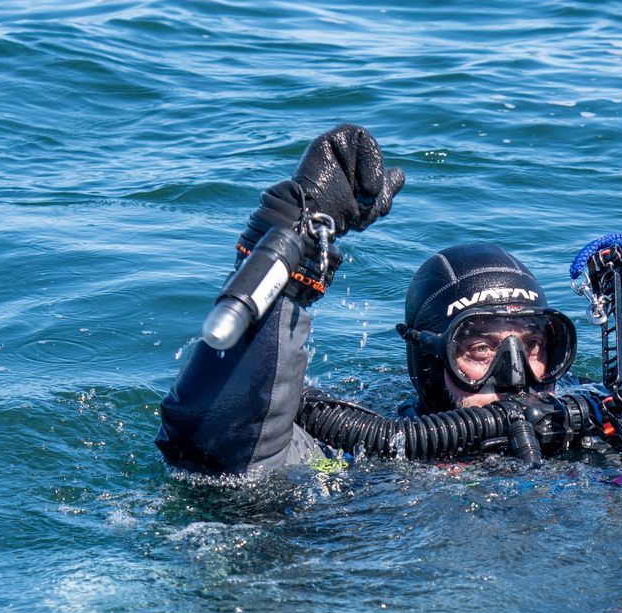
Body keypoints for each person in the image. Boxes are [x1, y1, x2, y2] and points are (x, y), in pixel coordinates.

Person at [156, 124, 578, 477]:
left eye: (534, 346)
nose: (516, 377)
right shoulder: (361, 461)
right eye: (481, 349)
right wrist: (290, 238)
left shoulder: (594, 429)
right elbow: (221, 439)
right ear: (431, 364)